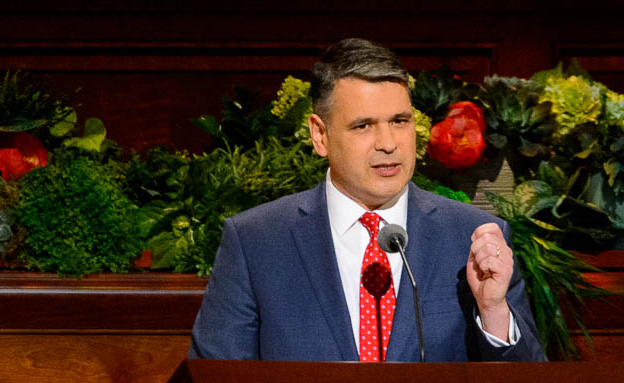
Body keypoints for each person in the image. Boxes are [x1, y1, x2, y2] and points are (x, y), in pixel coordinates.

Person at [189, 38, 546, 362]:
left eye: (399, 121)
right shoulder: (257, 241)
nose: (388, 143)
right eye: (363, 126)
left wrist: (494, 311)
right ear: (320, 135)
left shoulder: (471, 237)